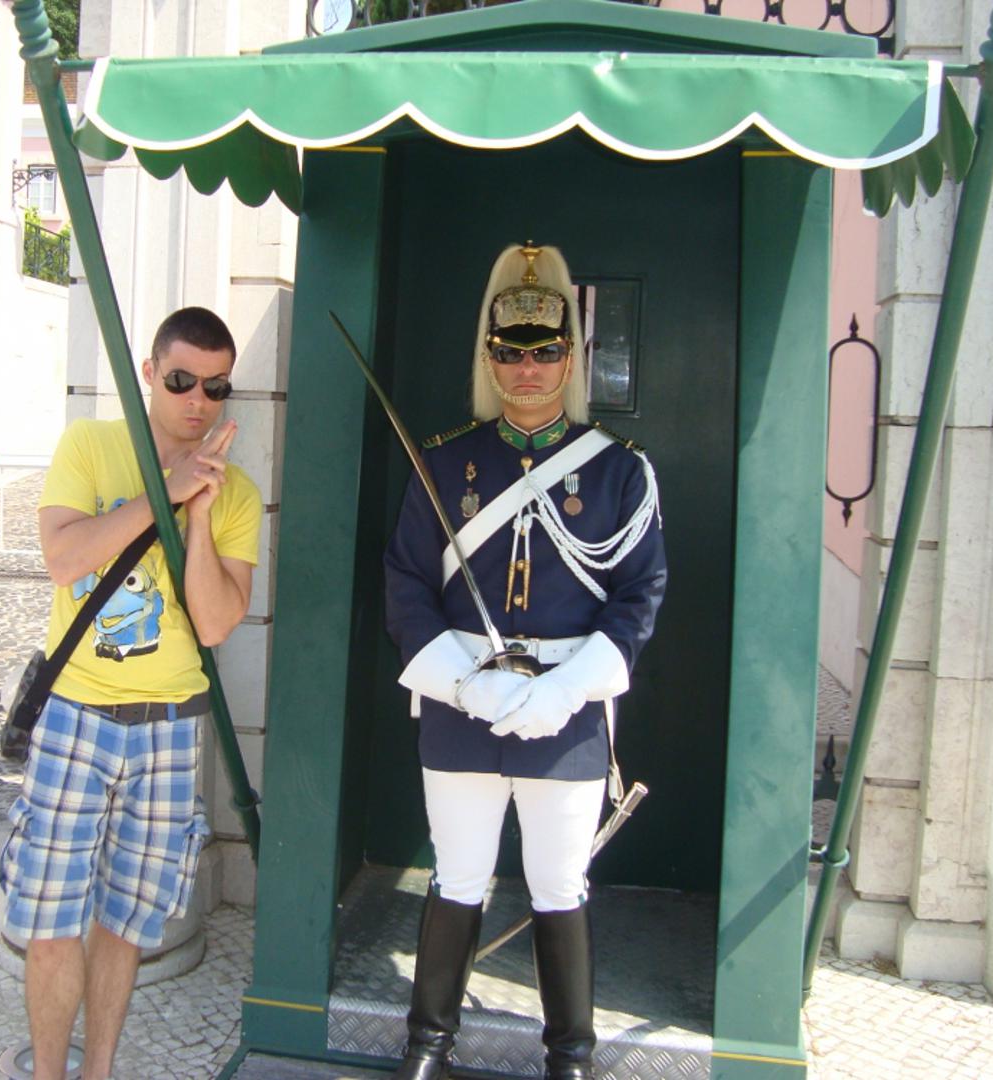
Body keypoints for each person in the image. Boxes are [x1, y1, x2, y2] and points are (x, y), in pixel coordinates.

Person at [383, 244, 667, 1080]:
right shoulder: (444, 463)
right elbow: (406, 585)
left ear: (571, 357)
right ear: (490, 357)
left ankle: (570, 1057)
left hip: (565, 711)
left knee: (558, 882)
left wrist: (569, 691)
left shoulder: (619, 473)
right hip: (461, 703)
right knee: (458, 874)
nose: (528, 369)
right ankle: (428, 1045)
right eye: (511, 352)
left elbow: (639, 596)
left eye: (545, 351)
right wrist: (464, 684)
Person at [0, 306, 261, 1080]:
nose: (197, 401)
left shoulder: (236, 494)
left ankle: (99, 1071)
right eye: (181, 380)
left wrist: (199, 516)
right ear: (150, 373)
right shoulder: (91, 445)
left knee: (128, 922)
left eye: (216, 387)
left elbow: (215, 623)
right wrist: (163, 492)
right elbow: (62, 558)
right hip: (76, 711)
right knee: (52, 918)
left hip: (169, 725)